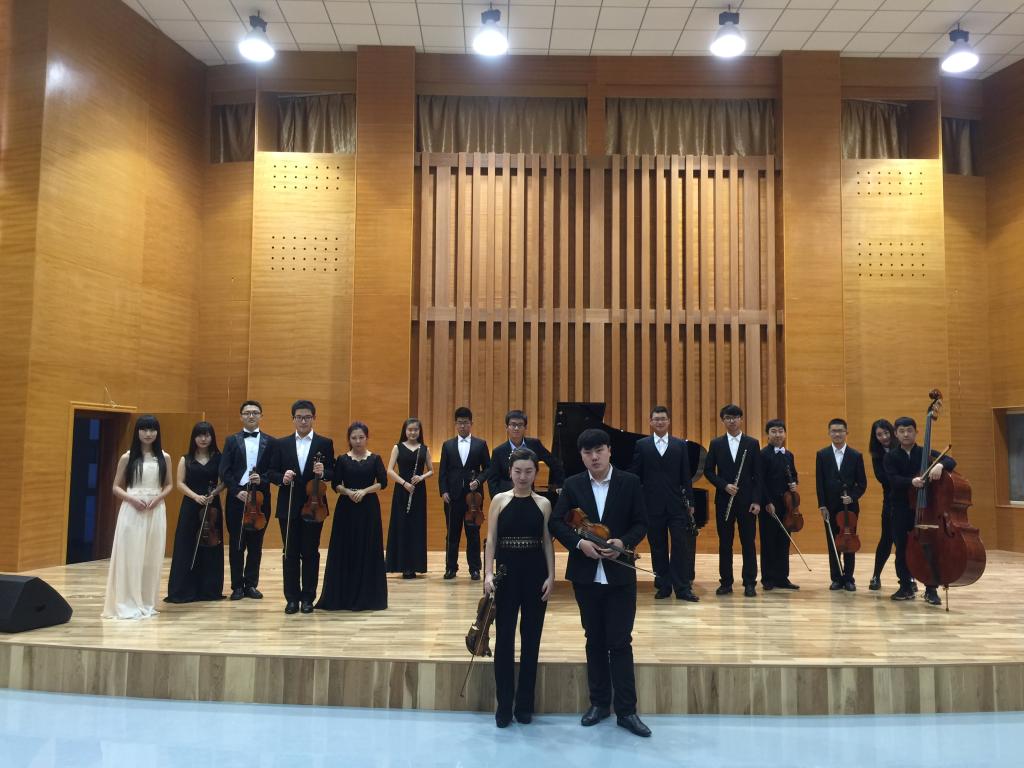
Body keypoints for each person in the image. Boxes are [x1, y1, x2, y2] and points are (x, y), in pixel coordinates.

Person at [549, 428, 651, 738]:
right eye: (588, 452)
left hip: (620, 575)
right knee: (593, 639)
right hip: (586, 575)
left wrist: (623, 542)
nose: (594, 457)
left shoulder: (629, 482)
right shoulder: (573, 484)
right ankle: (599, 704)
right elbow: (556, 522)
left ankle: (627, 711)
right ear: (582, 456)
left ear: (609, 451)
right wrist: (579, 544)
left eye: (599, 450)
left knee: (620, 641)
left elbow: (642, 522)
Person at [483, 448, 555, 728]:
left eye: (528, 471)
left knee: (531, 640)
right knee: (504, 640)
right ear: (510, 472)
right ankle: (504, 705)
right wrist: (488, 574)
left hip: (535, 575)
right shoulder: (499, 500)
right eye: (518, 471)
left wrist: (551, 576)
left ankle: (524, 705)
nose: (523, 476)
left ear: (536, 473)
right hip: (506, 575)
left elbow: (547, 542)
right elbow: (491, 540)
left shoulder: (544, 503)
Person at [266, 400, 335, 615]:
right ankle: (291, 599)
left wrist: (323, 472)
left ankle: (308, 598)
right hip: (288, 506)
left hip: (315, 507)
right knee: (290, 553)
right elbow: (271, 472)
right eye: (299, 417)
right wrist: (282, 477)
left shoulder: (325, 443)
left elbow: (333, 473)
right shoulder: (281, 444)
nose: (303, 421)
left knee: (310, 553)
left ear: (314, 418)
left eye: (307, 417)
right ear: (293, 419)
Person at [102, 415, 173, 620]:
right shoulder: (127, 457)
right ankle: (127, 601)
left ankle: (146, 601)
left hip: (156, 510)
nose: (148, 434)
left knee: (151, 556)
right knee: (130, 555)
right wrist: (132, 499)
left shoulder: (165, 457)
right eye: (144, 429)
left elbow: (169, 484)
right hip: (132, 510)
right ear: (137, 432)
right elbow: (115, 487)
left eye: (152, 430)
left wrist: (158, 498)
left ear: (157, 432)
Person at [884, 416, 957, 606]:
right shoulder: (891, 456)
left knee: (929, 548)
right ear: (896, 434)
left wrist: (940, 465)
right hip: (901, 508)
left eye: (909, 430)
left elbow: (951, 460)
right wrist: (911, 481)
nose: (906, 434)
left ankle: (931, 589)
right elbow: (892, 479)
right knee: (902, 548)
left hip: (926, 509)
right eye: (901, 431)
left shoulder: (926, 453)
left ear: (916, 432)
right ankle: (905, 586)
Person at [627, 406, 697, 601]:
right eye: (656, 419)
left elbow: (686, 476)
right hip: (651, 505)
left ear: (668, 421)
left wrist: (690, 501)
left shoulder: (679, 445)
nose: (659, 422)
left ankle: (682, 588)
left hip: (676, 505)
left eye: (663, 419)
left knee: (680, 547)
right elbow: (636, 473)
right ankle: (663, 586)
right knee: (657, 547)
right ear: (651, 422)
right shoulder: (642, 445)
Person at [317, 421, 389, 611]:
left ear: (367, 438)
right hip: (346, 509)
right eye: (354, 438)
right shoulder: (342, 459)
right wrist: (348, 492)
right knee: (346, 547)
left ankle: (368, 597)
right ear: (349, 439)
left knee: (368, 547)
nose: (358, 441)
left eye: (361, 437)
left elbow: (383, 482)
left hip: (368, 508)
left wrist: (364, 491)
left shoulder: (375, 459)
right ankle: (344, 596)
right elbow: (335, 484)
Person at [704, 404, 762, 597]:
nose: (732, 421)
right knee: (725, 544)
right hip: (724, 500)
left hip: (747, 502)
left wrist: (756, 501)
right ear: (723, 421)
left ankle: (749, 583)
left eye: (735, 417)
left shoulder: (752, 443)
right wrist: (724, 485)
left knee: (748, 543)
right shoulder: (716, 444)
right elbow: (708, 471)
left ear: (741, 419)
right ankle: (726, 582)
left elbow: (758, 475)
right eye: (728, 418)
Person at [218, 400, 273, 600]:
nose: (251, 416)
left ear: (261, 416)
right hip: (237, 498)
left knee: (256, 544)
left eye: (255, 412)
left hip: (260, 498)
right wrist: (235, 491)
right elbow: (224, 470)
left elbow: (274, 470)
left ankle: (251, 584)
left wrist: (263, 479)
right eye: (247, 412)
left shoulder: (270, 441)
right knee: (236, 543)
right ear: (241, 416)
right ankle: (237, 586)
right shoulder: (231, 441)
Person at [165, 421, 225, 603]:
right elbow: (180, 483)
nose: (203, 439)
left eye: (207, 435)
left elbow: (224, 481)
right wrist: (196, 497)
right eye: (200, 435)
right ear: (194, 438)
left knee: (211, 546)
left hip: (212, 506)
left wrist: (214, 493)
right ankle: (183, 590)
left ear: (212, 437)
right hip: (191, 506)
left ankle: (209, 590)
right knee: (186, 545)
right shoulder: (186, 459)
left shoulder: (219, 457)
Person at [815, 418, 868, 592]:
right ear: (829, 433)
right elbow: (819, 483)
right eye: (834, 431)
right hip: (830, 507)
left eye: (840, 431)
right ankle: (836, 578)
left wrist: (852, 497)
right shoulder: (822, 455)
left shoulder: (856, 455)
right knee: (833, 543)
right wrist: (822, 505)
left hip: (849, 509)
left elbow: (862, 483)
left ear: (846, 433)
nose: (837, 434)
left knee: (849, 542)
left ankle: (849, 578)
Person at [437, 407, 490, 580]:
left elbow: (488, 469)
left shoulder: (480, 444)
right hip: (452, 497)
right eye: (459, 423)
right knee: (452, 534)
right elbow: (443, 472)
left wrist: (479, 481)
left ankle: (474, 569)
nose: (462, 426)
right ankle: (450, 568)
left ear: (471, 423)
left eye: (465, 423)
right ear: (455, 424)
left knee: (473, 534)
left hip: (473, 499)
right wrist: (444, 491)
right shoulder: (447, 445)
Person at [385, 418, 433, 579]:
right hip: (402, 490)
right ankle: (400, 565)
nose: (413, 432)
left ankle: (414, 566)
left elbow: (431, 470)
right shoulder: (397, 447)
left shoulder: (424, 449)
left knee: (416, 527)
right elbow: (389, 470)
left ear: (420, 431)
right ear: (405, 431)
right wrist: (404, 483)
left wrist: (421, 477)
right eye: (410, 429)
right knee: (402, 525)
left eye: (415, 430)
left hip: (418, 491)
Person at [759, 419, 800, 591]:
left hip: (786, 506)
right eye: (774, 431)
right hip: (769, 505)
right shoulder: (762, 455)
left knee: (784, 542)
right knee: (768, 542)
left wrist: (794, 484)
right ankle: (768, 578)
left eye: (781, 431)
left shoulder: (788, 455)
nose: (778, 434)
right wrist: (767, 502)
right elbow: (760, 481)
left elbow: (794, 476)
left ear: (785, 433)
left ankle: (782, 578)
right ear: (767, 434)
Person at [486, 410, 563, 498]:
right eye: (513, 425)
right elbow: (492, 480)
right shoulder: (498, 452)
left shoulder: (535, 444)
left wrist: (560, 485)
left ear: (525, 427)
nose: (516, 428)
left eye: (520, 425)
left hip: (529, 495)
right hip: (506, 496)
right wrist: (497, 499)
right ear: (507, 427)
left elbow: (554, 463)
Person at [867, 419, 899, 592]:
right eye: (879, 435)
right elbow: (883, 478)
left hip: (908, 502)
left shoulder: (901, 448)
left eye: (886, 433)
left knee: (905, 542)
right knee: (886, 539)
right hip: (890, 501)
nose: (884, 437)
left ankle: (908, 577)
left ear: (892, 432)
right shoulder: (877, 455)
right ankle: (876, 575)